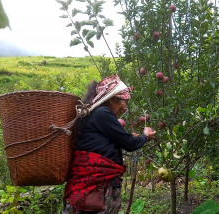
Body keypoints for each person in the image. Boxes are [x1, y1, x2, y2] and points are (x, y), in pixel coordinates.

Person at [62, 74, 156, 214]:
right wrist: (145, 136)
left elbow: (99, 142)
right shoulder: (103, 113)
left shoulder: (92, 114)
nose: (125, 107)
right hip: (99, 185)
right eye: (124, 101)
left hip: (87, 183)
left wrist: (127, 136)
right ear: (112, 99)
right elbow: (130, 145)